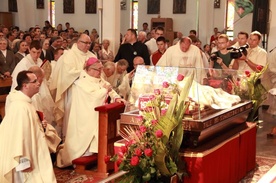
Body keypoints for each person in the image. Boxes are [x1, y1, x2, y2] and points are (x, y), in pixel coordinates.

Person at [56, 57, 125, 168]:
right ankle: (82, 155)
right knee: (85, 141)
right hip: (85, 117)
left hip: (99, 116)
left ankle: (99, 154)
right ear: (90, 69)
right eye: (98, 70)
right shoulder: (81, 82)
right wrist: (104, 91)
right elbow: (92, 98)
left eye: (101, 69)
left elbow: (109, 88)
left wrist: (116, 98)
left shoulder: (98, 78)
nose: (100, 72)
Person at [0, 70, 56, 183]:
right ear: (25, 85)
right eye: (34, 81)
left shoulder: (25, 103)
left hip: (33, 150)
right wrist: (23, 162)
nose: (38, 83)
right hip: (25, 157)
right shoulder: (20, 107)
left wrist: (41, 125)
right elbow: (19, 137)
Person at [49, 33, 96, 140]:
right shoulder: (69, 55)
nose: (88, 45)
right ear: (78, 42)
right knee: (73, 119)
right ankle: (70, 141)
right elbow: (67, 74)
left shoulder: (92, 56)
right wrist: (84, 71)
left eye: (89, 43)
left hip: (89, 94)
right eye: (85, 43)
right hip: (73, 92)